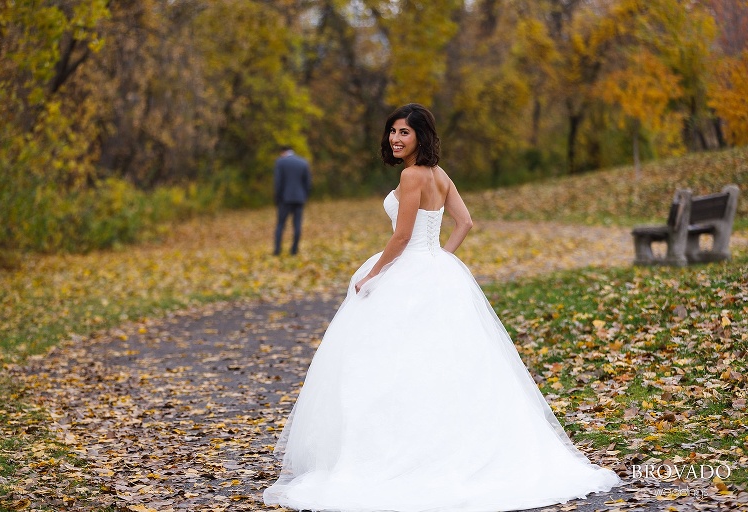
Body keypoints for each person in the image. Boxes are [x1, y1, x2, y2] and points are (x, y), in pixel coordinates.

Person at [263, 104, 621, 511]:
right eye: (393, 132)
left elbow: (400, 238)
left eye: (405, 133)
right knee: (442, 364)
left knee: (391, 365)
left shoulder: (413, 175)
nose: (396, 139)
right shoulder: (440, 175)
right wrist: (439, 258)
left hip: (405, 268)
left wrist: (373, 275)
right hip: (434, 268)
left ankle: (394, 453)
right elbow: (464, 222)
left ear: (421, 136)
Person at [273, 145, 312, 256]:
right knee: (297, 225)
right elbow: (308, 183)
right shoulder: (303, 162)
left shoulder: (280, 162)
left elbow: (278, 182)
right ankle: (294, 250)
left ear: (282, 152)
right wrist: (304, 196)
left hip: (285, 199)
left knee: (280, 224)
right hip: (299, 199)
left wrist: (277, 198)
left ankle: (277, 250)